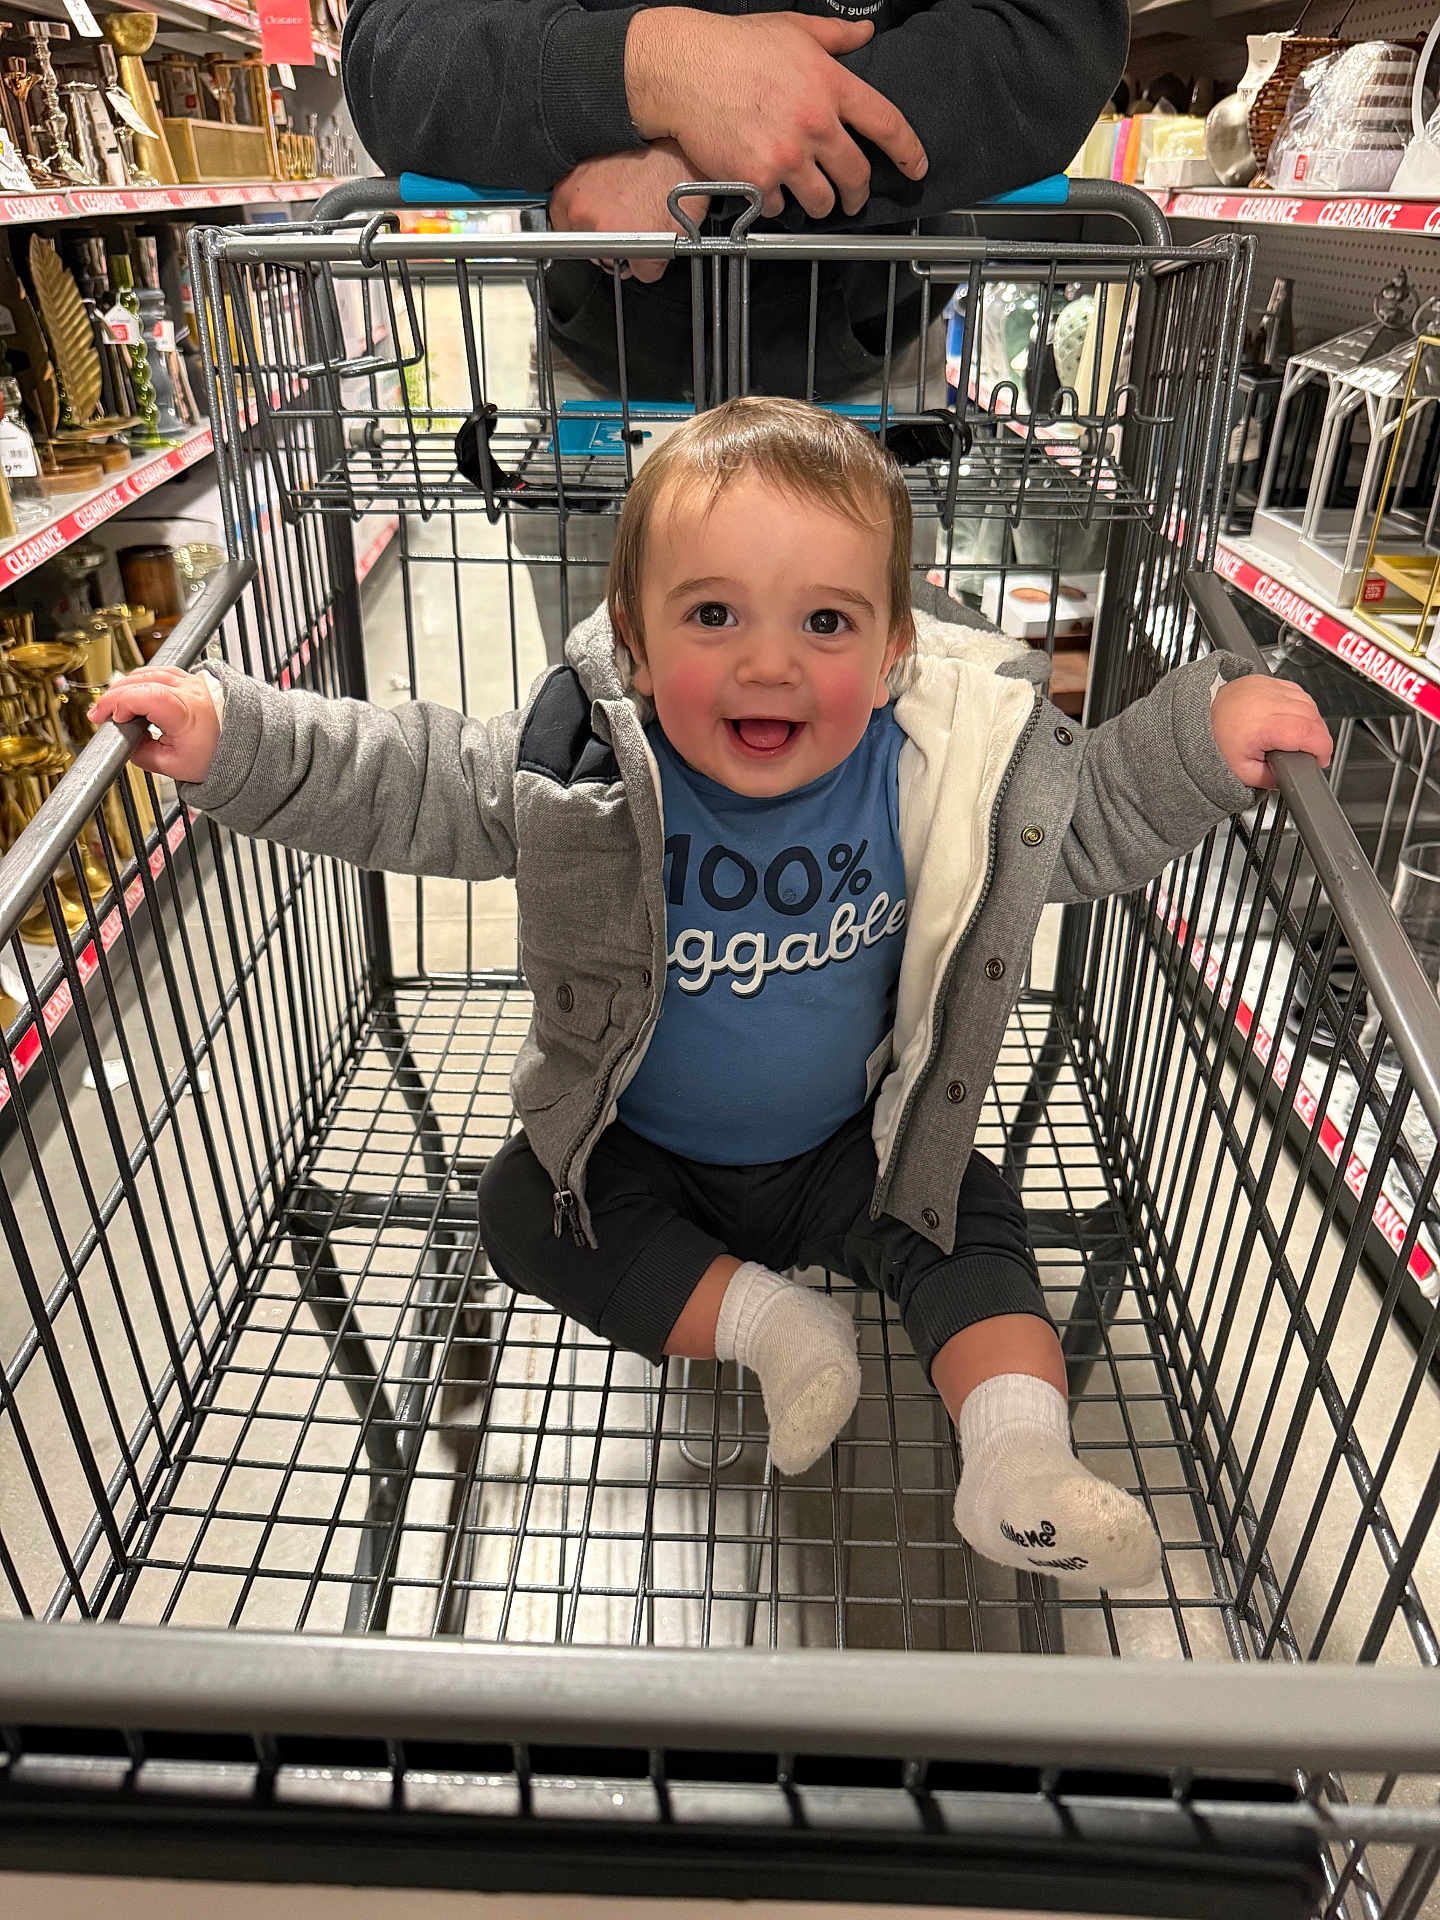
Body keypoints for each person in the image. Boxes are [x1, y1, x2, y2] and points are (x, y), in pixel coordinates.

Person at [89, 399, 1333, 1590]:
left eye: (829, 625)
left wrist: (1197, 741)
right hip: (644, 1150)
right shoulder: (574, 773)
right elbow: (399, 775)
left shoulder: (935, 773)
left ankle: (1019, 1462)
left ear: (895, 648)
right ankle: (778, 1330)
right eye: (716, 614)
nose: (771, 663)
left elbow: (1093, 808)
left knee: (970, 1222)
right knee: (526, 1210)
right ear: (632, 636)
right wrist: (232, 736)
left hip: (853, 1142)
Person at [342, 0, 1132, 662]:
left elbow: (1050, 41)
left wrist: (697, 147)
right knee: (609, 737)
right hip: (607, 370)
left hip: (865, 367)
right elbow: (396, 50)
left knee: (872, 741)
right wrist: (651, 67)